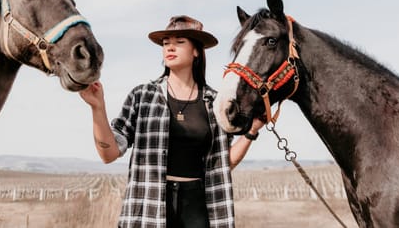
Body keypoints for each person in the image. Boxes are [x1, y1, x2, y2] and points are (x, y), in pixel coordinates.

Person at [79, 15, 265, 228]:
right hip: (149, 207)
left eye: (179, 42)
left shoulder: (214, 103)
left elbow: (223, 163)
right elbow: (108, 154)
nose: (170, 47)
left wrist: (252, 132)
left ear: (196, 51)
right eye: (166, 43)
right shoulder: (142, 96)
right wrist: (98, 108)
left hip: (197, 207)